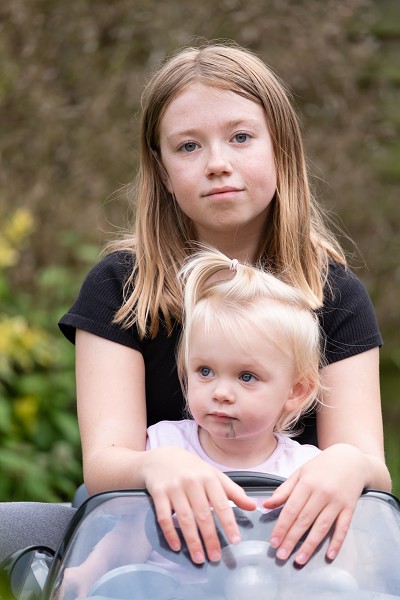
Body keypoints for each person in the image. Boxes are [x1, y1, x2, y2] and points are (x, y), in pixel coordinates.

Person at [58, 41, 391, 568]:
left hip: (288, 562)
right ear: (163, 171)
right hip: (149, 551)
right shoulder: (120, 289)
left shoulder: (335, 295)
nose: (217, 164)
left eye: (240, 137)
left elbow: (369, 464)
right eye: (188, 146)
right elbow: (105, 464)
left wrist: (349, 463)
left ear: (281, 149)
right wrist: (155, 466)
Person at [59, 247, 324, 598]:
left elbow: (327, 563)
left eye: (246, 377)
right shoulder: (165, 448)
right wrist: (86, 573)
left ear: (296, 391)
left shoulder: (306, 470)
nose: (221, 393)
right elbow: (131, 534)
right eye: (205, 371)